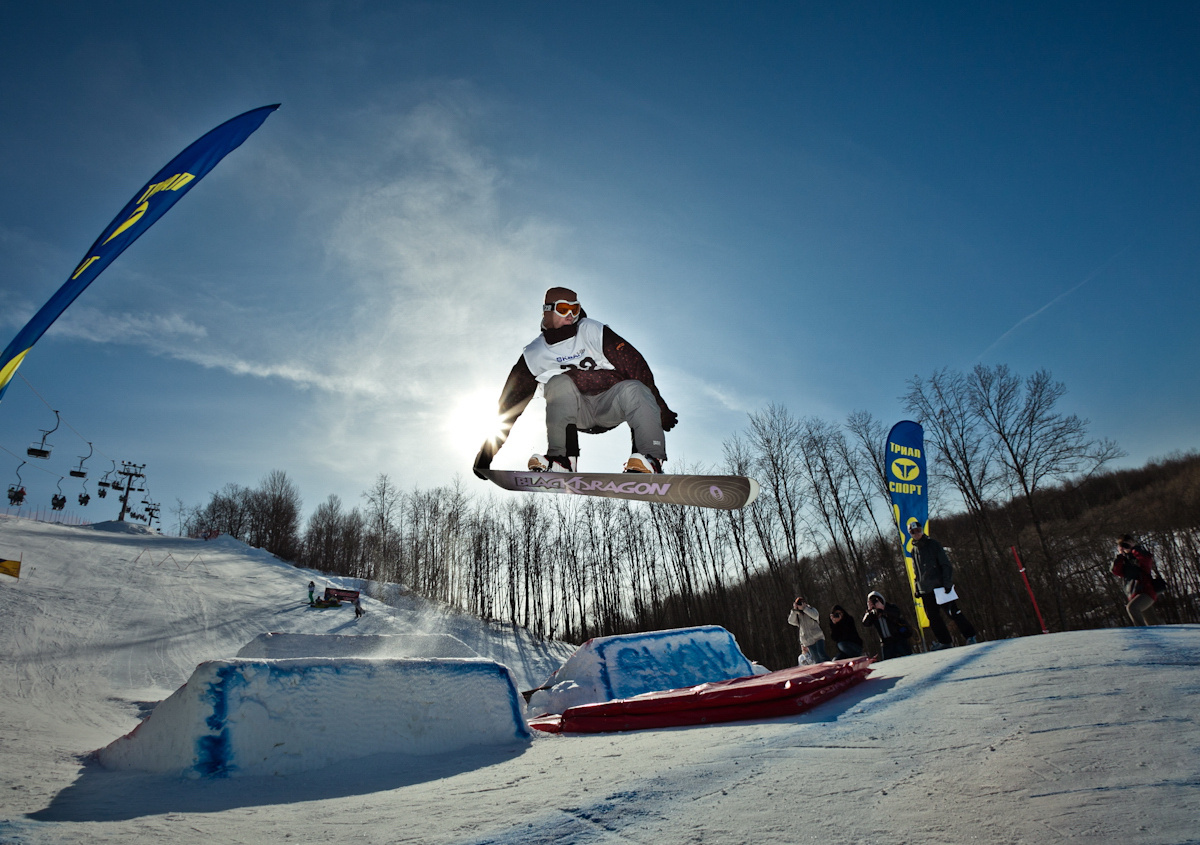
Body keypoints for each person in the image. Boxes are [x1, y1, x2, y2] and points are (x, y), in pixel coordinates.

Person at [473, 287, 678, 477]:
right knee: (558, 382)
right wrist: (487, 452)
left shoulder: (592, 331)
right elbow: (509, 406)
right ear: (547, 311)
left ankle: (650, 459)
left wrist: (660, 409)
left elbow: (636, 366)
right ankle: (562, 460)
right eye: (563, 309)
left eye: (575, 308)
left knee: (634, 387)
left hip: (611, 404)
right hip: (576, 412)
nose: (570, 315)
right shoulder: (534, 355)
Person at [908, 521, 978, 649]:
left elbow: (945, 564)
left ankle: (970, 636)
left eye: (918, 530)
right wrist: (917, 587)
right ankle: (945, 641)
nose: (916, 533)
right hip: (925, 589)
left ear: (922, 530)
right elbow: (916, 571)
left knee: (953, 612)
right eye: (913, 532)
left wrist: (947, 583)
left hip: (939, 586)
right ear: (910, 534)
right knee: (933, 617)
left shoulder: (933, 544)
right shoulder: (913, 550)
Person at [1112, 534, 1161, 626]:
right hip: (1133, 595)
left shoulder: (1140, 555)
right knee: (1153, 623)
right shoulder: (1124, 561)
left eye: (1127, 544)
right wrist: (1120, 555)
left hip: (1146, 592)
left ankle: (1140, 633)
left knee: (1132, 608)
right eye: (1123, 545)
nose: (1126, 547)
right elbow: (1116, 571)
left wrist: (1134, 548)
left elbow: (1146, 560)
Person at [861, 590, 913, 660]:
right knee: (889, 664)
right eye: (872, 601)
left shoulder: (890, 607)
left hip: (899, 639)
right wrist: (869, 610)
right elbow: (865, 623)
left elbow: (897, 614)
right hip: (886, 643)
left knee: (909, 658)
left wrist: (883, 608)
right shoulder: (873, 614)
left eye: (876, 600)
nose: (875, 602)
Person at [787, 596, 830, 664]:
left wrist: (805, 609)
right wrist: (794, 610)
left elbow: (815, 615)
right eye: (798, 603)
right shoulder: (797, 615)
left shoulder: (811, 609)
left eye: (801, 602)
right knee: (816, 659)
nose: (800, 604)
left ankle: (832, 666)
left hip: (818, 637)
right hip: (808, 640)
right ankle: (821, 671)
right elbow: (791, 621)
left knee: (821, 653)